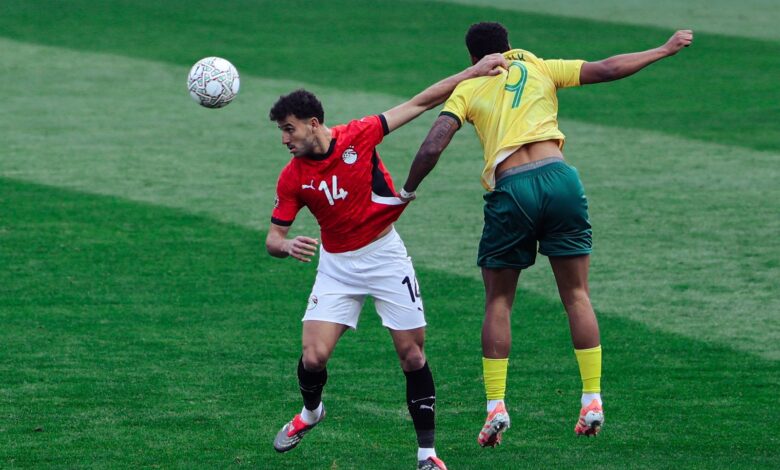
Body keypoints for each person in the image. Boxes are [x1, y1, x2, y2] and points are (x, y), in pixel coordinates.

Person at [399, 22, 694, 445]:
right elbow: (608, 69)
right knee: (576, 295)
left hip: (513, 188)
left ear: (474, 58)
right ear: (509, 46)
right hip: (561, 181)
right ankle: (592, 399)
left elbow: (433, 145)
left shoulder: (467, 86)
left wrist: (406, 191)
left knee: (499, 300)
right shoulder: (539, 66)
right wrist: (663, 49)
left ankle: (496, 406)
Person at [265, 53, 507, 470]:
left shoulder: (359, 135)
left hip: (385, 258)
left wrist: (473, 71)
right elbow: (273, 238)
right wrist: (285, 247)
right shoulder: (293, 176)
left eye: (289, 129)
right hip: (336, 267)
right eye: (281, 132)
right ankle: (311, 413)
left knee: (412, 355)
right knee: (313, 357)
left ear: (313, 123)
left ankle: (427, 455)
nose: (284, 139)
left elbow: (419, 103)